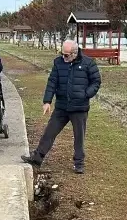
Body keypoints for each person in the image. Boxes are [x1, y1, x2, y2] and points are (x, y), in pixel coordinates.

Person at [21, 40, 100, 174]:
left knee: (79, 136)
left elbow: (96, 81)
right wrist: (47, 101)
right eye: (62, 54)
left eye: (67, 55)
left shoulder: (88, 63)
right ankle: (37, 157)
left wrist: (86, 94)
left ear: (75, 53)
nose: (64, 57)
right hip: (62, 106)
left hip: (79, 107)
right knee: (49, 132)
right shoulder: (58, 63)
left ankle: (79, 164)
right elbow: (52, 82)